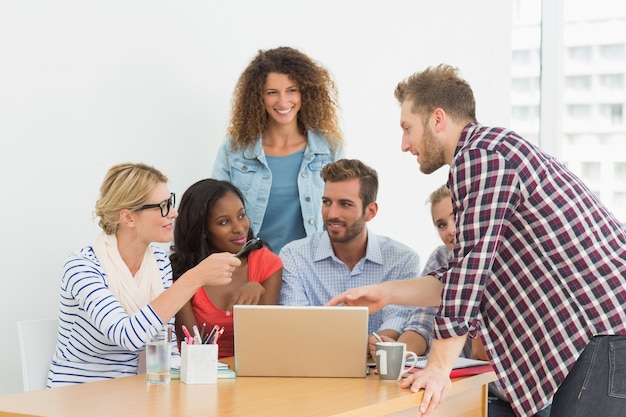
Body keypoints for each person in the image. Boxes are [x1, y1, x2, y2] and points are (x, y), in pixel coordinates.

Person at [327, 64, 626, 417]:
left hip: (602, 333)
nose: (405, 145)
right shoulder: (493, 151)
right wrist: (387, 293)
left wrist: (437, 368)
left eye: (408, 129)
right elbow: (463, 275)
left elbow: (470, 271)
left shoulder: (481, 157)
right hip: (602, 334)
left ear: (438, 119)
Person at [47, 163, 240, 387]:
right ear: (128, 218)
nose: (174, 213)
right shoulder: (82, 267)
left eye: (171, 202)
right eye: (163, 206)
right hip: (78, 397)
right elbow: (127, 336)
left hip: (133, 394)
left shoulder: (159, 263)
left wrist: (198, 376)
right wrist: (194, 278)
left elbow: (163, 345)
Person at [279, 158, 426, 357]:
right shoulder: (294, 255)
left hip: (374, 374)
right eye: (326, 202)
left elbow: (397, 319)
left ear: (370, 211)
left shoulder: (403, 260)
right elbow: (296, 325)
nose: (332, 214)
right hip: (313, 369)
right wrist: (361, 344)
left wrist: (377, 342)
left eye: (345, 204)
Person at [212, 46, 344, 254]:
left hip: (308, 269)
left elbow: (343, 213)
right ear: (258, 97)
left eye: (291, 90)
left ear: (306, 93)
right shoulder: (235, 150)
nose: (283, 102)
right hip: (251, 268)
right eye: (272, 93)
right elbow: (214, 213)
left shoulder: (329, 148)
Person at [170, 179, 282, 358]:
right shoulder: (181, 275)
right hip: (201, 373)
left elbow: (265, 342)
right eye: (224, 222)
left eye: (241, 215)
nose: (239, 228)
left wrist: (258, 289)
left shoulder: (267, 263)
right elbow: (194, 351)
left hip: (253, 371)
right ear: (202, 230)